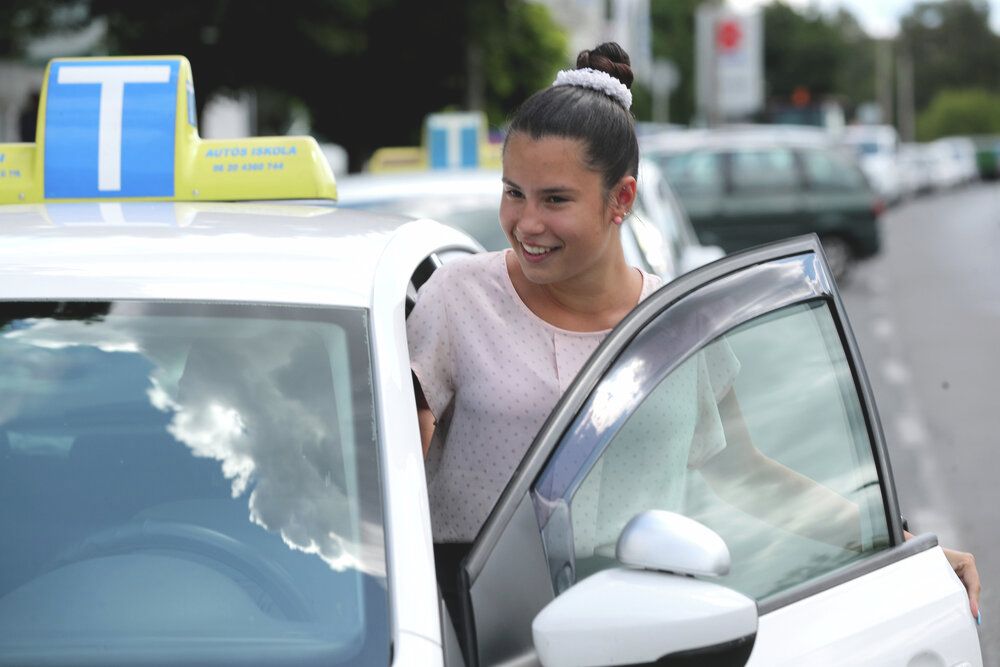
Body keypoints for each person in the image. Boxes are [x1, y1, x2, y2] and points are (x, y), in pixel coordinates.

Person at [406, 42, 981, 624]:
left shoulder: (679, 323)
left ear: (621, 199)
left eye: (555, 200)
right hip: (470, 629)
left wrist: (902, 544)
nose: (526, 223)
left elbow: (748, 474)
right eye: (513, 193)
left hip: (638, 629)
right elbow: (386, 472)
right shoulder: (457, 298)